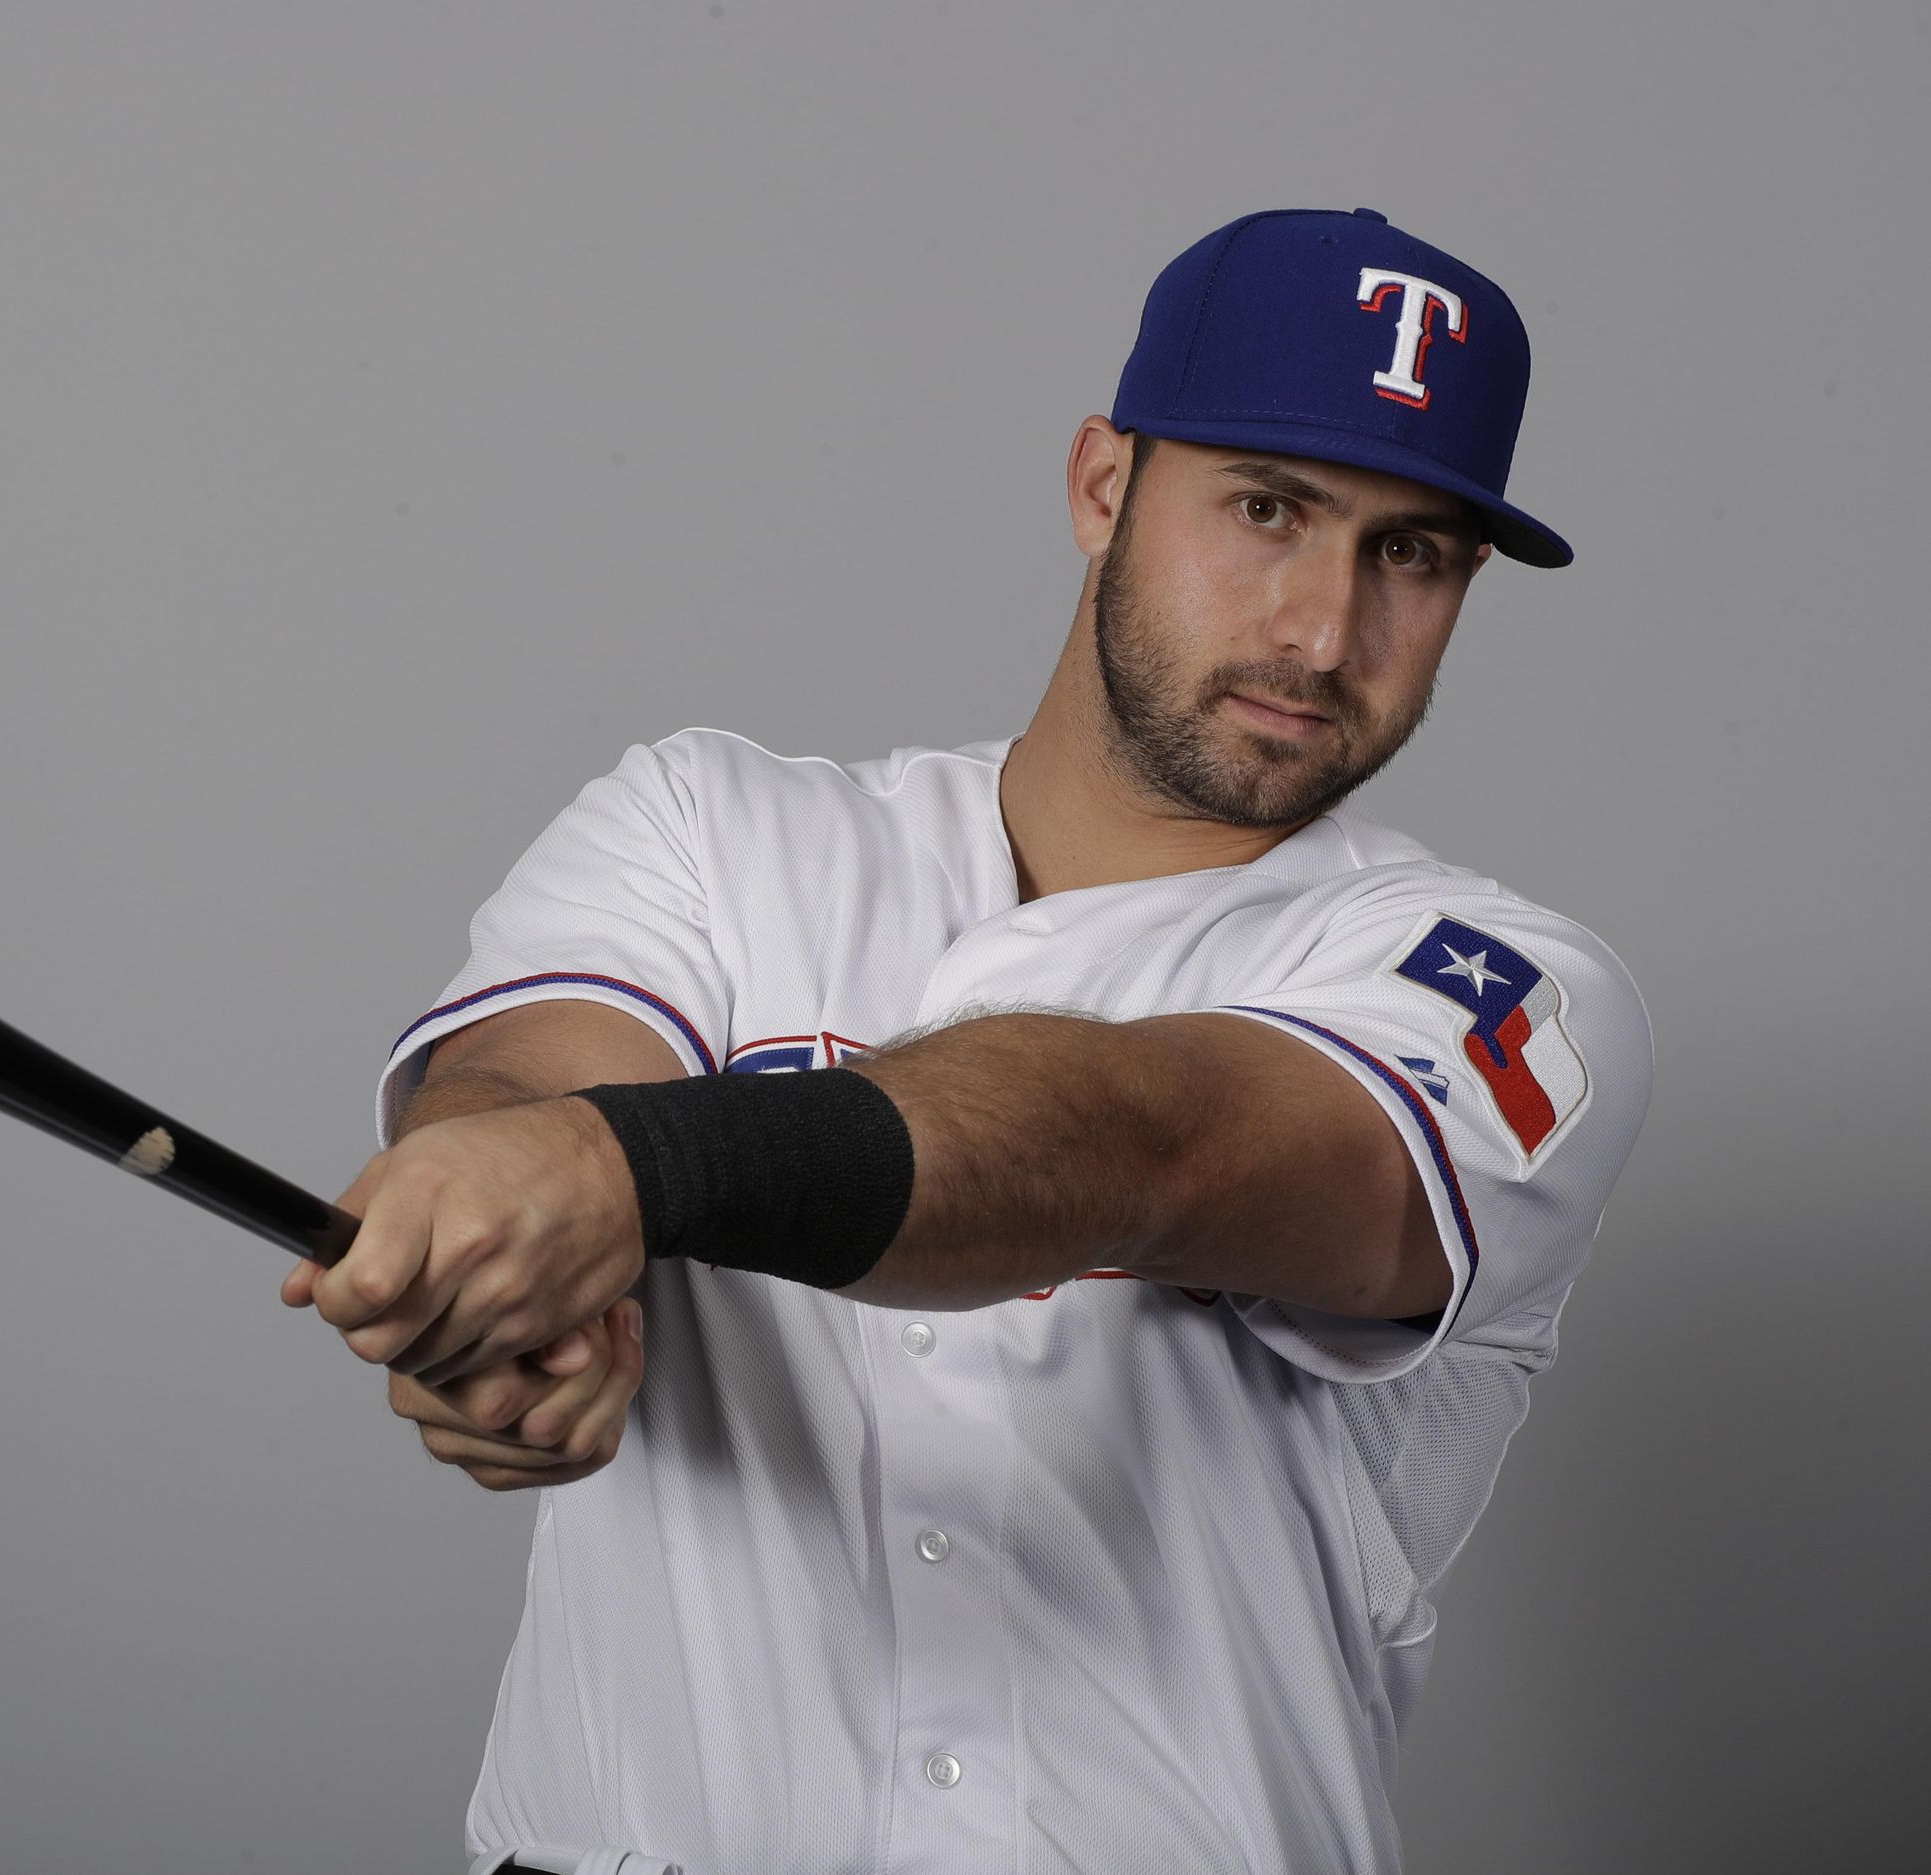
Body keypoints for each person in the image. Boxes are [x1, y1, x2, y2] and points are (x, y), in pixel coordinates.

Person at [282, 207, 1653, 1875]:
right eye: (1267, 509)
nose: (1321, 630)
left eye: (1412, 554)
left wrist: (610, 1171)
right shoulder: (710, 829)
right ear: (1101, 485)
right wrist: (506, 1269)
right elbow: (514, 1097)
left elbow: (1152, 1148)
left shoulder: (1498, 984)